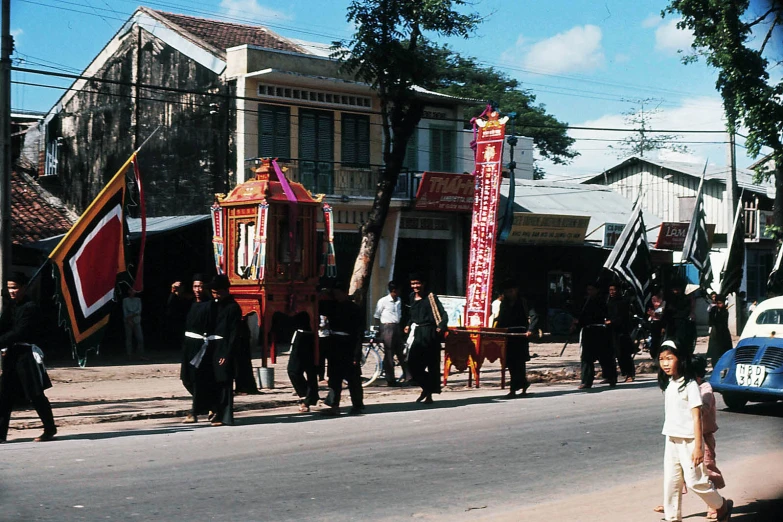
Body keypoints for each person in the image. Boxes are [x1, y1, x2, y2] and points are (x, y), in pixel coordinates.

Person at [656, 340, 733, 522]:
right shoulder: (669, 384)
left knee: (695, 481)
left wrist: (699, 447)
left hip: (689, 441)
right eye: (661, 359)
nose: (665, 363)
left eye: (669, 358)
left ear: (680, 359)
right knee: (671, 482)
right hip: (671, 438)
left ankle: (721, 506)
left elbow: (696, 417)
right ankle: (672, 517)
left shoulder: (690, 385)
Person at [0, 272, 57, 443]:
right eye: (10, 288)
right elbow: (3, 326)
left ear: (24, 288)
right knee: (4, 396)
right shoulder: (12, 306)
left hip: (26, 357)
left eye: (15, 287)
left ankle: (50, 428)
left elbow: (19, 333)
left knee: (35, 394)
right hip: (11, 356)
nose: (12, 291)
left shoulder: (30, 307)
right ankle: (1, 435)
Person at [321, 281, 365, 416]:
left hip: (349, 345)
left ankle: (357, 405)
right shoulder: (332, 306)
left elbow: (359, 334)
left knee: (353, 378)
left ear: (345, 293)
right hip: (334, 344)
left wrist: (356, 355)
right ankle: (334, 405)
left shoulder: (354, 309)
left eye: (339, 293)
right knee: (334, 377)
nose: (337, 296)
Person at [404, 273, 447, 404]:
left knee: (431, 364)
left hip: (430, 333)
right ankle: (428, 386)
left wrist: (441, 326)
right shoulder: (411, 297)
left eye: (418, 283)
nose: (415, 286)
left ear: (423, 284)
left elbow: (442, 314)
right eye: (413, 283)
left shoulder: (431, 297)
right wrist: (408, 324)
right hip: (417, 333)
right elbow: (412, 314)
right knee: (412, 364)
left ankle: (429, 395)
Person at [208, 274, 242, 426]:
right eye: (214, 293)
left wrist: (226, 354)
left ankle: (225, 415)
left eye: (218, 292)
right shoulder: (213, 305)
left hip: (225, 347)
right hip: (212, 346)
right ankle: (215, 411)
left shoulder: (233, 307)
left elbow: (234, 333)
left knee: (225, 383)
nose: (216, 296)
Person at [495, 279, 532, 398]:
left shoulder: (523, 302)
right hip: (508, 335)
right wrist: (497, 331)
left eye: (511, 291)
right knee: (510, 362)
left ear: (515, 291)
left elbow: (534, 315)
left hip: (520, 334)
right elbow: (500, 319)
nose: (509, 294)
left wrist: (530, 330)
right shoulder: (504, 303)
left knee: (519, 362)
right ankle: (519, 385)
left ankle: (517, 388)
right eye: (507, 292)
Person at [574, 283, 616, 390]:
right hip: (588, 331)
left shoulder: (604, 301)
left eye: (592, 289)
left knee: (605, 355)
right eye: (588, 289)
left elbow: (608, 314)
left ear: (597, 290)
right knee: (586, 357)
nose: (590, 292)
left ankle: (611, 377)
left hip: (601, 330)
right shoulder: (585, 301)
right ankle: (587, 381)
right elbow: (581, 316)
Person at [374, 281, 406, 385]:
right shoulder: (383, 301)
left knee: (401, 353)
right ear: (394, 290)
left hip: (397, 326)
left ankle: (408, 376)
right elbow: (377, 316)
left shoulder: (399, 300)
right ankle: (390, 379)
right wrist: (379, 329)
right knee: (389, 354)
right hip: (387, 327)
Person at [287, 311, 319, 412]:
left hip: (319, 335)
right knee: (293, 370)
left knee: (311, 371)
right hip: (301, 333)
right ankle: (307, 396)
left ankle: (308, 399)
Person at [606, 282, 635, 383]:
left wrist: (612, 321)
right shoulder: (609, 301)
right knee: (609, 354)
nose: (612, 292)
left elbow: (623, 317)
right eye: (610, 290)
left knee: (623, 354)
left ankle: (629, 374)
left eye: (614, 290)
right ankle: (610, 376)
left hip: (621, 331)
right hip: (610, 331)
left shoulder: (623, 302)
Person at [664, 282, 697, 356]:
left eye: (677, 290)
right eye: (674, 290)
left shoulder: (686, 298)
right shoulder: (671, 298)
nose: (676, 291)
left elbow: (688, 309)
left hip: (683, 323)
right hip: (672, 324)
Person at [707, 295, 732, 368]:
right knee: (714, 351)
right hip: (715, 333)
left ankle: (725, 367)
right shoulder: (713, 309)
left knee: (725, 351)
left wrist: (720, 313)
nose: (719, 305)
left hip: (723, 333)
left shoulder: (725, 310)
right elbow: (711, 321)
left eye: (721, 303)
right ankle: (714, 366)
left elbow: (723, 321)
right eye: (718, 303)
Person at [122, 287, 145, 359]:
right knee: (129, 338)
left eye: (134, 290)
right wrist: (128, 320)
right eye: (131, 290)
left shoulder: (138, 300)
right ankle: (129, 355)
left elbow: (139, 310)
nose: (133, 292)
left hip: (136, 320)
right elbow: (125, 311)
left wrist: (132, 316)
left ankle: (140, 354)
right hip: (128, 321)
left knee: (140, 338)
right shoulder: (125, 300)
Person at [647, 290, 666, 362]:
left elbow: (662, 314)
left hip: (660, 323)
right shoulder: (652, 299)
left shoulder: (664, 302)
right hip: (653, 323)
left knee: (659, 340)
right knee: (654, 340)